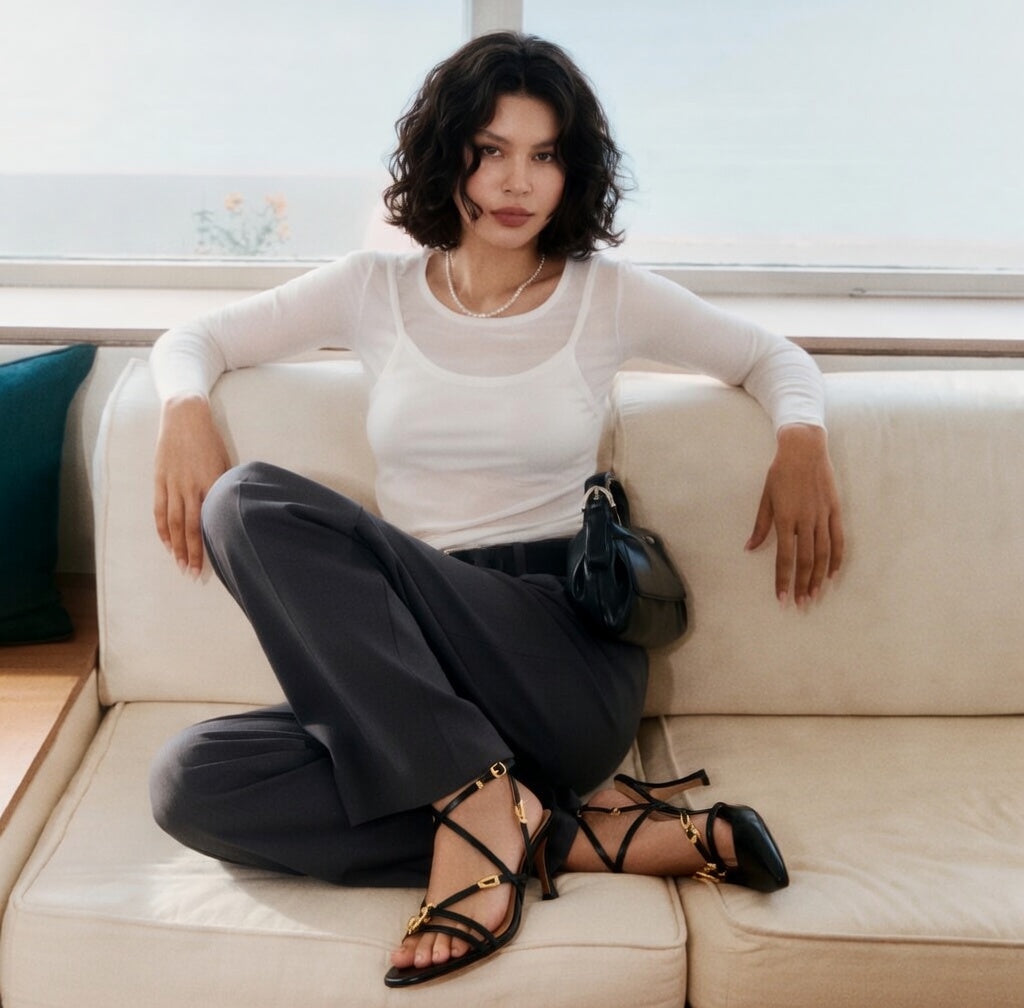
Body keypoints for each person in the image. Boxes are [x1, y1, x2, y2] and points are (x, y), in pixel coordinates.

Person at [147, 31, 844, 988]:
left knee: (250, 503)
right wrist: (184, 411)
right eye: (491, 150)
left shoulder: (605, 299)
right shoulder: (373, 291)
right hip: (419, 671)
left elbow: (776, 358)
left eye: (545, 155)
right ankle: (552, 827)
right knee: (193, 782)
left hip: (556, 650)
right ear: (448, 158)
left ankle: (484, 812)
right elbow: (194, 336)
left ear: (573, 172)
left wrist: (800, 438)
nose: (518, 182)